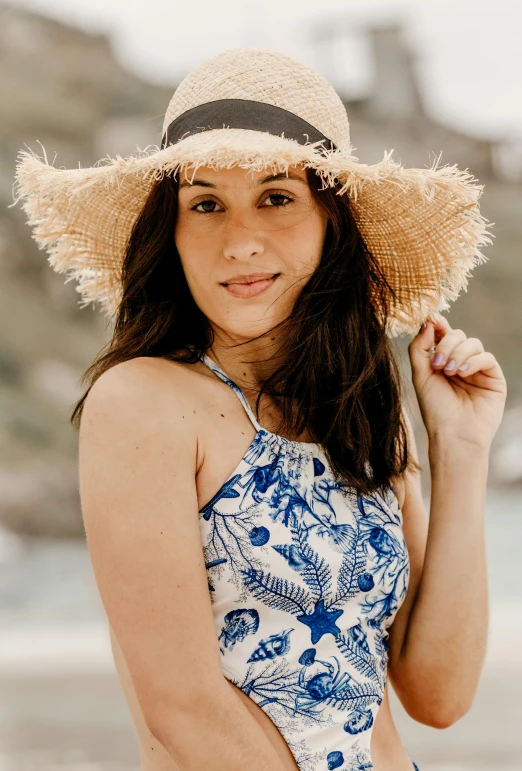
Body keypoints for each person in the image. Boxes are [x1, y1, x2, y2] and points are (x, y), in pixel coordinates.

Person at [13, 48, 506, 771]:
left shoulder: (360, 412)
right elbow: (183, 709)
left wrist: (460, 452)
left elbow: (440, 693)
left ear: (330, 219)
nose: (240, 241)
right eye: (205, 204)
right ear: (170, 233)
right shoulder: (144, 401)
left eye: (277, 197)